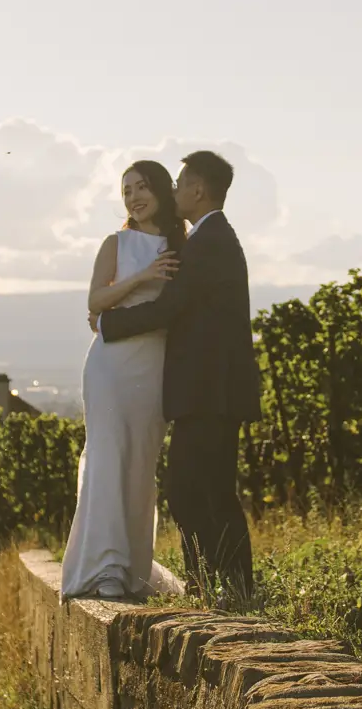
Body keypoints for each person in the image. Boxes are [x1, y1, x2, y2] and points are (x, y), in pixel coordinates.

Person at [95, 149, 258, 598]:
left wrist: (111, 323)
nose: (174, 189)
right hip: (210, 391)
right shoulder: (210, 238)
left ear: (198, 190)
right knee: (207, 491)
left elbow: (172, 306)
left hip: (209, 392)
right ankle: (223, 588)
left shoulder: (210, 241)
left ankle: (217, 588)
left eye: (180, 181)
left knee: (192, 492)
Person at [59, 161, 182, 599]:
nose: (133, 197)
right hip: (110, 368)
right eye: (126, 190)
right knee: (108, 458)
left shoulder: (182, 245)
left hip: (153, 368)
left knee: (140, 466)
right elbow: (96, 300)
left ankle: (132, 568)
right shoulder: (116, 243)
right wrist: (143, 277)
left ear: (163, 191)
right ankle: (105, 568)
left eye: (141, 187)